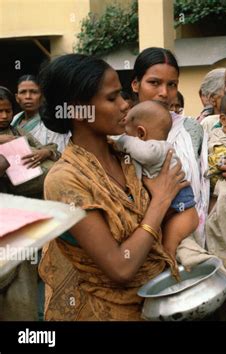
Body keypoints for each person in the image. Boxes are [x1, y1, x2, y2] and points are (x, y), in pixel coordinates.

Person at [38, 54, 188, 320]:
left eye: (122, 95)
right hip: (104, 312)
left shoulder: (126, 155)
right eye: (111, 98)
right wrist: (161, 201)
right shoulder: (66, 179)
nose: (124, 105)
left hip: (156, 304)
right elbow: (120, 267)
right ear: (78, 109)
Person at [131, 47, 208, 248]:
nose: (164, 93)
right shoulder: (121, 129)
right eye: (154, 82)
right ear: (135, 84)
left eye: (172, 85)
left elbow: (203, 185)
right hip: (133, 239)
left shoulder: (191, 129)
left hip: (186, 235)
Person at [116, 100, 199, 265]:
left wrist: (122, 141)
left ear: (140, 133)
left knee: (168, 252)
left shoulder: (159, 148)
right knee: (169, 249)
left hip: (183, 211)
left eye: (127, 132)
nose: (125, 137)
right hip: (173, 211)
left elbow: (144, 154)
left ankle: (175, 279)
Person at [0, 86, 59, 198]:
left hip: (47, 188)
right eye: (0, 111)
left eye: (8, 111)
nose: (4, 116)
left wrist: (46, 152)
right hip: (15, 195)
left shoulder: (18, 131)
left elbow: (49, 149)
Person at [12, 75, 70, 152]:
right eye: (23, 92)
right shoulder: (14, 120)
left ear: (42, 96)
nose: (28, 96)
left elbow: (59, 152)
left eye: (34, 92)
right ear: (17, 97)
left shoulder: (51, 123)